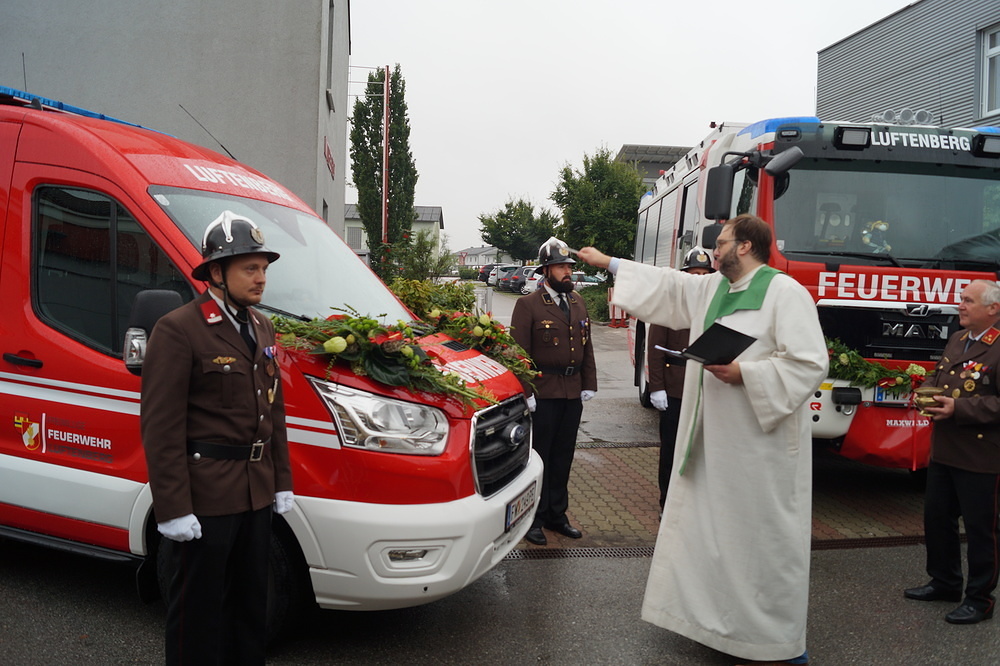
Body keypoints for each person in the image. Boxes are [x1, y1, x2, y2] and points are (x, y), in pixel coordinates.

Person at [578, 214, 828, 665]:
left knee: (760, 543)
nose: (715, 248)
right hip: (713, 443)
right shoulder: (713, 288)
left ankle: (773, 642)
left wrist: (744, 374)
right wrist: (608, 263)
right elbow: (671, 286)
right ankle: (716, 627)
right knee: (713, 536)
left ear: (747, 246)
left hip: (759, 452)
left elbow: (809, 364)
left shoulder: (784, 293)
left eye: (722, 241)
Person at [141, 211, 294, 665]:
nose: (261, 278)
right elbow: (161, 426)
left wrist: (281, 480)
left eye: (264, 268)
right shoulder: (178, 329)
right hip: (206, 497)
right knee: (198, 612)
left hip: (256, 492)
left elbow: (274, 409)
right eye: (250, 267)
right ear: (215, 271)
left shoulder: (262, 326)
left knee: (252, 607)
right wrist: (173, 508)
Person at [904, 278, 1000, 625]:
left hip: (981, 455)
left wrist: (958, 409)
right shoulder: (958, 340)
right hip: (944, 451)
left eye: (968, 301)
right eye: (961, 299)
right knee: (937, 520)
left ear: (993, 309)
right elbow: (939, 377)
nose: (960, 305)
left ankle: (979, 598)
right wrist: (926, 392)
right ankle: (944, 582)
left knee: (980, 530)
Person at [511, 237, 597, 546]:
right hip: (543, 394)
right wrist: (526, 392)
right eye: (561, 267)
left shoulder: (577, 301)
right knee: (540, 458)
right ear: (546, 271)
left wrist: (589, 384)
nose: (567, 272)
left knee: (563, 457)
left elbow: (587, 347)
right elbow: (517, 353)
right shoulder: (528, 305)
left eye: (569, 267)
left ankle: (557, 515)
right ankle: (533, 518)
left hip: (572, 393)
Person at [646, 247, 714, 511]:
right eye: (693, 273)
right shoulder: (670, 307)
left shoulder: (713, 306)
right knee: (672, 448)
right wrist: (657, 387)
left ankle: (694, 503)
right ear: (684, 276)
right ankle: (668, 501)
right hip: (674, 388)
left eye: (703, 273)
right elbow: (654, 348)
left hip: (704, 387)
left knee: (699, 449)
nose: (698, 278)